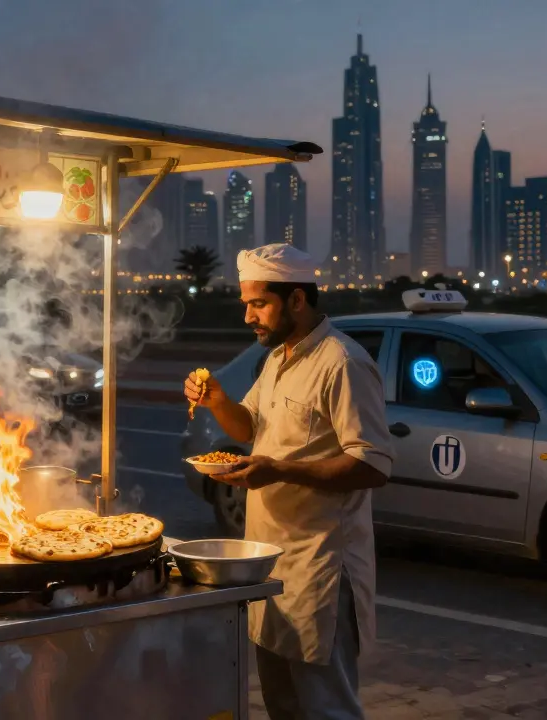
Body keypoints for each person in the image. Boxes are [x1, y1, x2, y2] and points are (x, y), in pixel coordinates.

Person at [184, 243, 393, 720]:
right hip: (269, 561)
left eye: (259, 304)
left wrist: (279, 469)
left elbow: (373, 464)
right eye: (246, 305)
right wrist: (218, 400)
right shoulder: (278, 359)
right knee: (282, 705)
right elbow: (248, 427)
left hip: (320, 568)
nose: (248, 317)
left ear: (297, 299)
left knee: (326, 708)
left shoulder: (343, 362)